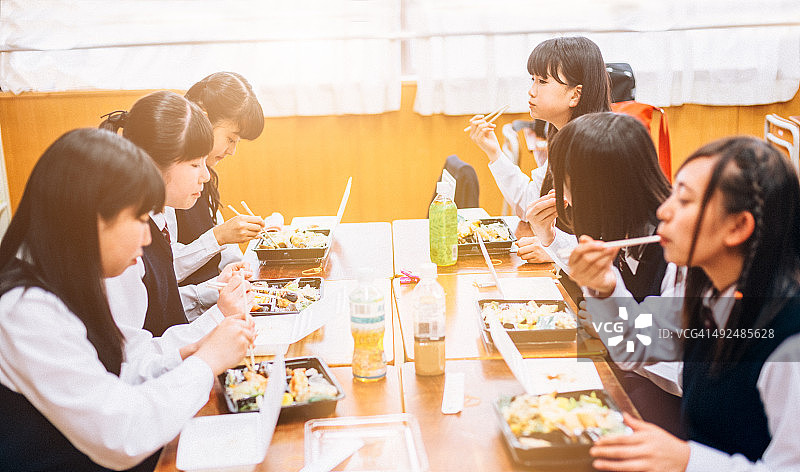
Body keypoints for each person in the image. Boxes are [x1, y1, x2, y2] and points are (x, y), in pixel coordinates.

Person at [0, 128, 255, 471]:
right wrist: (205, 362)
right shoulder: (25, 311)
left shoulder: (72, 276)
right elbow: (122, 433)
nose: (148, 235)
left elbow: (120, 372)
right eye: (138, 218)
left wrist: (187, 354)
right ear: (90, 218)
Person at [572, 136, 800, 470]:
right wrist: (603, 286)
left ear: (737, 226)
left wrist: (687, 460)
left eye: (684, 199)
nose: (663, 211)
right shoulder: (711, 296)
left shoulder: (789, 337)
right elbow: (634, 346)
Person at [528, 112, 682, 435]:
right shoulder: (628, 226)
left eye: (569, 185)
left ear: (601, 193)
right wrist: (552, 238)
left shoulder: (675, 251)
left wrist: (609, 321)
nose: (566, 198)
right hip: (632, 375)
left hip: (662, 407)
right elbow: (598, 272)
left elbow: (673, 360)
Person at [100, 90, 250, 339]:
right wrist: (216, 316)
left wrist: (214, 292)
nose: (204, 176)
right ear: (153, 164)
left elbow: (158, 302)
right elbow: (134, 351)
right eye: (194, 165)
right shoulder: (127, 238)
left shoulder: (159, 218)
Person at [466, 36, 611, 262]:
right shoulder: (562, 137)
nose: (531, 91)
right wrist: (494, 152)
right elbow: (532, 204)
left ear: (575, 94)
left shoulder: (595, 150)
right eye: (532, 79)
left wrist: (555, 251)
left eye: (543, 81)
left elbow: (609, 242)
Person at [175, 72, 276, 319]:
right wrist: (218, 237)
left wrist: (240, 270)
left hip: (212, 305)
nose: (232, 151)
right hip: (186, 320)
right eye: (230, 138)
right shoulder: (170, 182)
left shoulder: (206, 177)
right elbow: (161, 273)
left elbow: (221, 247)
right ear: (202, 117)